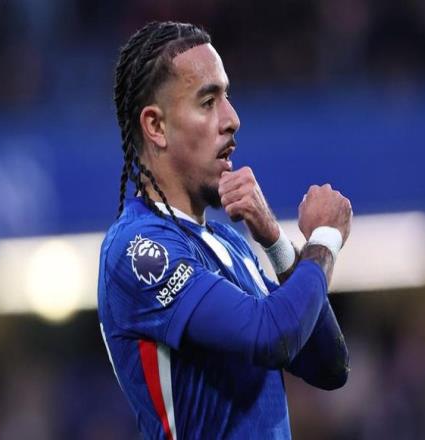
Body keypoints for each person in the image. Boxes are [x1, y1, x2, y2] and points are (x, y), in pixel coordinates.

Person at [98, 21, 352, 440]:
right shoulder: (139, 249)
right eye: (208, 101)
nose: (232, 119)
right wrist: (325, 239)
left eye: (227, 97)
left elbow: (328, 365)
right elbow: (272, 336)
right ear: (156, 126)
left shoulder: (228, 243)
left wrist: (275, 241)